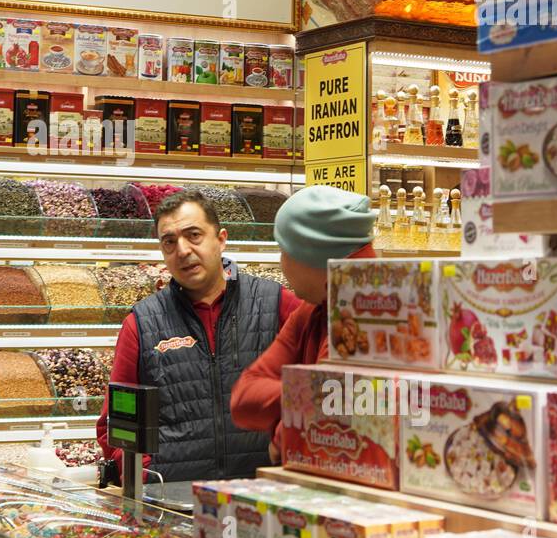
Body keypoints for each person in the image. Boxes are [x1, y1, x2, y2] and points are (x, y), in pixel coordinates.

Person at [96, 189, 301, 482]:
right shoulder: (141, 323)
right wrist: (146, 475)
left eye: (194, 235)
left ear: (221, 239)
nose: (182, 250)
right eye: (169, 242)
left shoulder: (276, 303)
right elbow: (116, 424)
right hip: (175, 504)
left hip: (263, 496)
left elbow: (319, 386)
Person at [230, 185, 377, 460]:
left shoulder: (369, 316)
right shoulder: (311, 310)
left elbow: (322, 427)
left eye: (284, 250)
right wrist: (292, 418)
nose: (280, 262)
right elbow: (244, 397)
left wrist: (282, 431)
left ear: (311, 255)